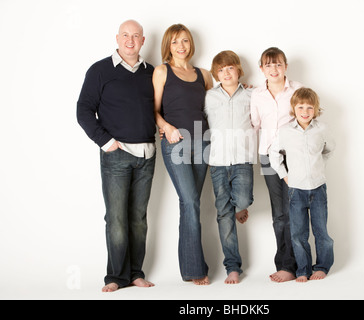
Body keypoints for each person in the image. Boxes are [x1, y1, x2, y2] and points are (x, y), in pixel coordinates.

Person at [77, 20, 156, 292]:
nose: (130, 40)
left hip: (147, 155)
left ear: (143, 41)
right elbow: (84, 110)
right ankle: (115, 277)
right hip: (117, 155)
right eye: (126, 35)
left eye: (136, 36)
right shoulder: (100, 70)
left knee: (138, 218)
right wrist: (106, 141)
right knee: (116, 219)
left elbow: (166, 106)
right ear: (117, 38)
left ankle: (135, 273)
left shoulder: (151, 72)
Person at [153, 24, 213, 285]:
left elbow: (216, 106)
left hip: (203, 143)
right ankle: (195, 270)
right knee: (190, 202)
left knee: (191, 204)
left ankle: (189, 267)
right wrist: (166, 127)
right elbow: (153, 109)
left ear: (191, 44)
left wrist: (240, 87)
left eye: (185, 41)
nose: (181, 46)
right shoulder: (162, 71)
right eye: (176, 41)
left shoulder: (204, 74)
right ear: (168, 45)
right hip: (176, 143)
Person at [269, 87, 335, 282]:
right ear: (293, 108)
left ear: (315, 109)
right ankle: (303, 270)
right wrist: (285, 176)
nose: (305, 111)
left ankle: (322, 267)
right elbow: (274, 155)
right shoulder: (286, 131)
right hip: (295, 190)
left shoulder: (322, 130)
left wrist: (318, 167)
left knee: (321, 231)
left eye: (309, 107)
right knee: (298, 234)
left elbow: (329, 149)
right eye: (300, 107)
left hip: (318, 188)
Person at [250, 47, 302, 282]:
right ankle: (284, 264)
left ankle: (295, 265)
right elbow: (254, 124)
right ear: (261, 69)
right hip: (268, 157)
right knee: (279, 214)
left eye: (278, 64)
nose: (274, 69)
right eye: (268, 65)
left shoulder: (298, 90)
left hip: (293, 157)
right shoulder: (257, 95)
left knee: (294, 211)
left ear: (285, 66)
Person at [205, 51, 257, 284]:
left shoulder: (251, 94)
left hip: (242, 160)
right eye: (221, 70)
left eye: (230, 68)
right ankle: (232, 267)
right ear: (216, 74)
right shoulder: (208, 97)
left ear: (238, 70)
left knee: (243, 199)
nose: (226, 73)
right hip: (217, 162)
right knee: (223, 214)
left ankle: (240, 207)